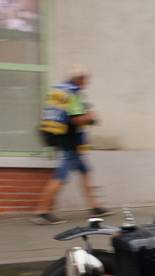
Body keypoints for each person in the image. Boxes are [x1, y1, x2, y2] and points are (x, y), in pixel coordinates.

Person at [32, 67, 111, 225]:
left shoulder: (61, 91)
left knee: (85, 170)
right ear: (79, 79)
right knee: (60, 177)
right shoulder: (74, 94)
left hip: (65, 139)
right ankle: (41, 211)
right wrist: (90, 117)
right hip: (69, 142)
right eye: (85, 79)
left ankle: (94, 206)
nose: (87, 82)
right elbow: (76, 119)